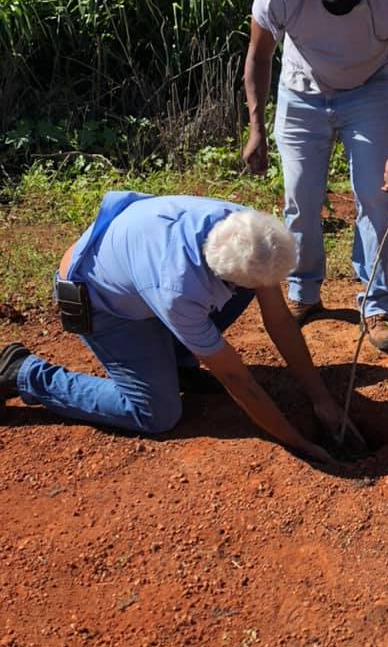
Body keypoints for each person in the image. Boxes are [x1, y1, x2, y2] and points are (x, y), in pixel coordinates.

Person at [0, 192, 365, 464]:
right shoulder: (177, 291)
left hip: (138, 278)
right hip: (99, 301)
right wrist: (298, 442)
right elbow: (237, 380)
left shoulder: (247, 231)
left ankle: (179, 364)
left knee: (250, 287)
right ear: (224, 277)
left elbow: (279, 320)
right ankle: (23, 372)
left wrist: (322, 400)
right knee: (156, 413)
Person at [242, 0, 388, 352]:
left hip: (371, 92)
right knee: (300, 199)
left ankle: (375, 306)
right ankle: (304, 296)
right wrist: (255, 127)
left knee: (375, 196)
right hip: (301, 92)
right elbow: (259, 55)